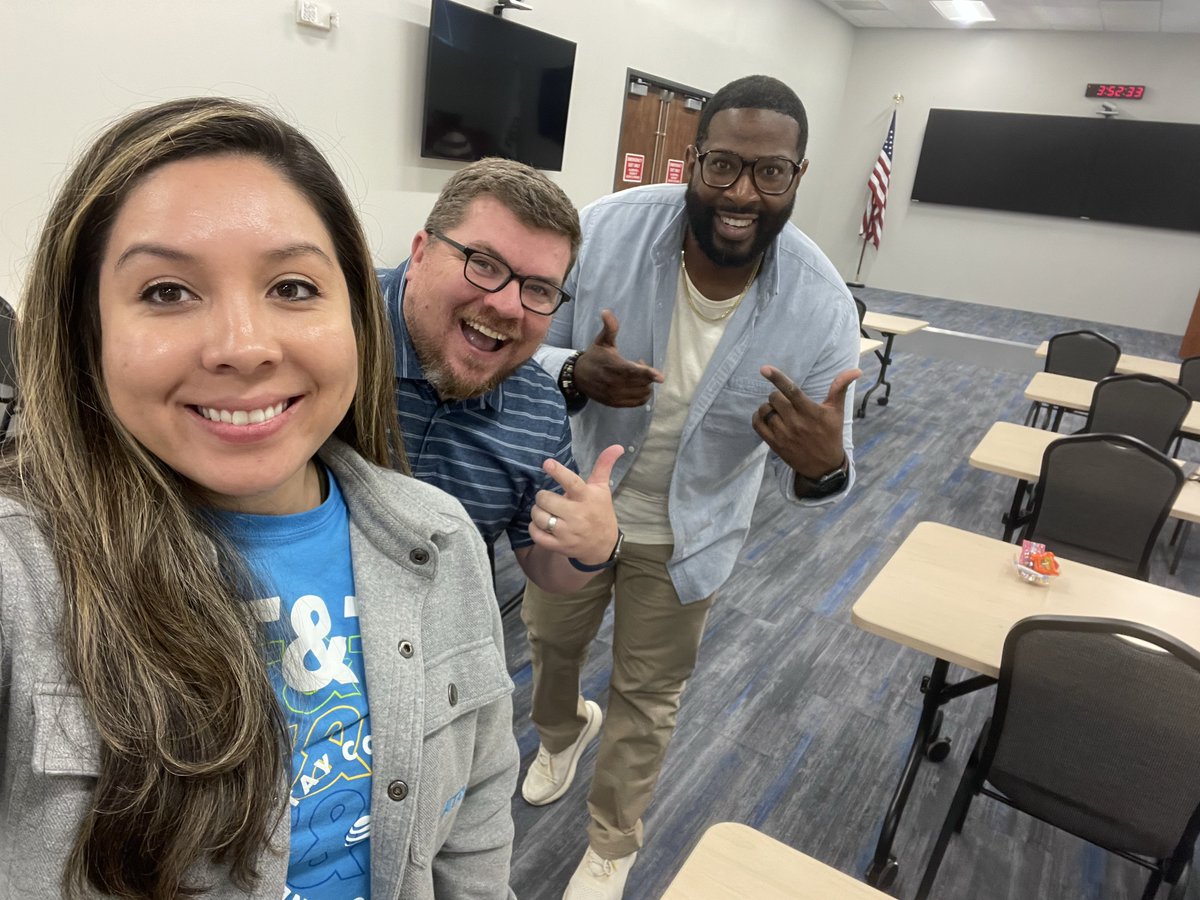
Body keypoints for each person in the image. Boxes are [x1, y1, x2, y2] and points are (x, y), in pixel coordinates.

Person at [0, 97, 518, 900]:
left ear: (354, 312)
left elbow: (477, 823)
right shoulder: (22, 576)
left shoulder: (439, 535)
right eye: (167, 292)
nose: (244, 347)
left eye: (292, 286)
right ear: (85, 329)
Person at [522, 75, 863, 899]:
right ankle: (561, 734)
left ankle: (613, 841)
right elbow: (523, 351)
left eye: (771, 172)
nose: (744, 192)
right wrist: (571, 370)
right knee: (551, 647)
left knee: (649, 692)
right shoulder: (604, 231)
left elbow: (831, 471)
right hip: (577, 506)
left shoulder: (820, 308)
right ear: (692, 161)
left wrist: (824, 468)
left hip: (692, 532)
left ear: (797, 176)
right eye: (725, 166)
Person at [377, 159, 623, 596]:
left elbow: (546, 568)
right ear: (420, 253)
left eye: (539, 290)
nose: (508, 306)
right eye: (484, 263)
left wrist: (592, 546)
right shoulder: (334, 327)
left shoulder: (540, 409)